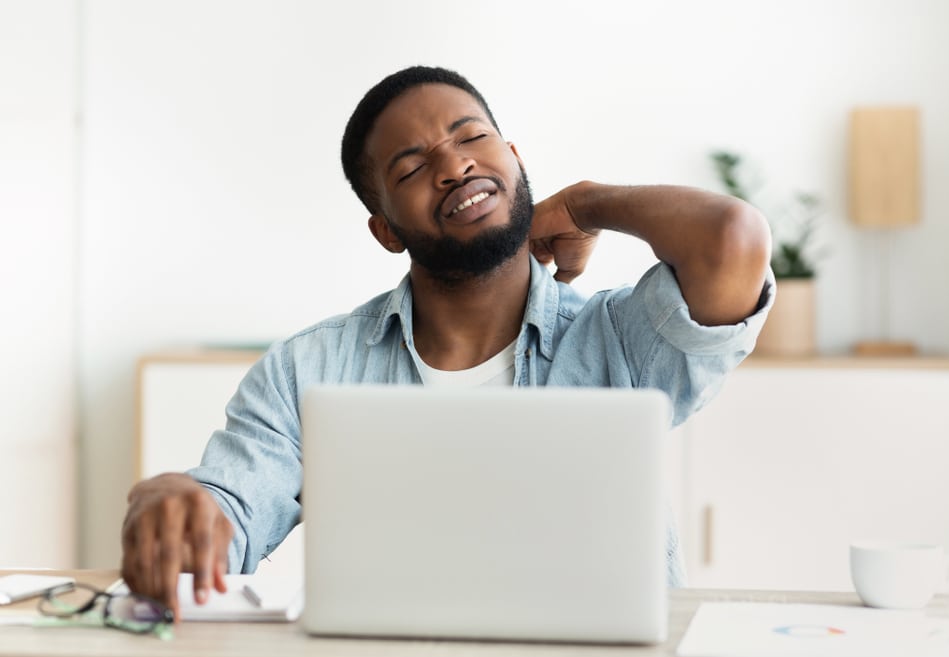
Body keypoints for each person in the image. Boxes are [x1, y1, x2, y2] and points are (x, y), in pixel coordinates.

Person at [121, 65, 774, 617]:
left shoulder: (617, 340)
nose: (455, 165)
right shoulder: (308, 369)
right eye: (412, 168)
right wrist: (179, 508)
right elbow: (223, 518)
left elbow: (733, 240)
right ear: (386, 231)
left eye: (472, 138)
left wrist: (586, 203)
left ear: (513, 159)